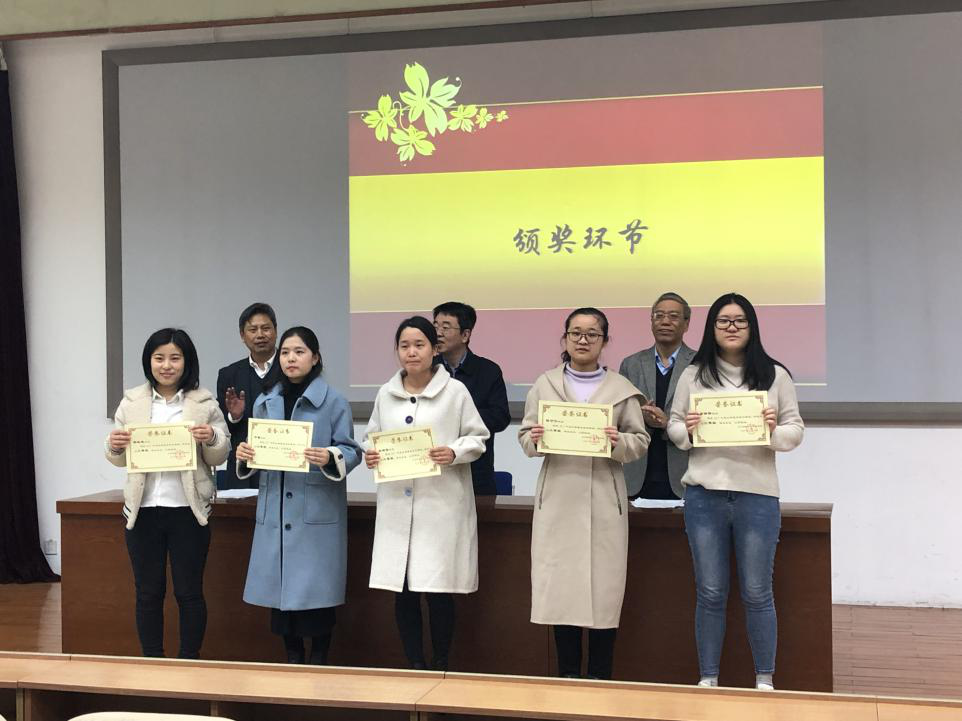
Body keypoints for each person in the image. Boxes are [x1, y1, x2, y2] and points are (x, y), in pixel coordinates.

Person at [666, 293, 804, 690]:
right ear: (711, 328)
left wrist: (772, 431)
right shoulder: (694, 375)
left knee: (758, 591)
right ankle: (708, 677)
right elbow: (674, 427)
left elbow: (795, 430)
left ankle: (764, 679)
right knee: (710, 592)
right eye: (723, 321)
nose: (731, 327)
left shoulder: (775, 375)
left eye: (739, 321)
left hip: (757, 495)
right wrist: (688, 430)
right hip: (704, 495)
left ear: (752, 327)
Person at [518, 308, 650, 679]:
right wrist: (536, 439)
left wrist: (617, 441)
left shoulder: (621, 389)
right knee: (563, 593)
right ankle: (567, 680)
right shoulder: (545, 384)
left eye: (592, 334)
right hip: (559, 499)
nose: (583, 340)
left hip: (604, 499)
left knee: (604, 594)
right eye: (575, 332)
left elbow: (640, 441)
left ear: (605, 341)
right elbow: (526, 436)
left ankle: (600, 681)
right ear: (564, 338)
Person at [363, 316, 489, 670]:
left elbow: (478, 438)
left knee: (437, 590)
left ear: (435, 349)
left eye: (419, 345)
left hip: (440, 507)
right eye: (404, 346)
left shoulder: (455, 392)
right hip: (397, 507)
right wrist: (370, 453)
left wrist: (453, 451)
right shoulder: (386, 394)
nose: (412, 352)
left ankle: (441, 663)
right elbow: (372, 436)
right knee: (403, 591)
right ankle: (414, 664)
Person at [235, 326, 361, 665]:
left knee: (317, 598)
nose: (291, 358)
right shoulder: (265, 401)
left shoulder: (334, 401)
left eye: (300, 351)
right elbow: (257, 450)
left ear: (315, 358)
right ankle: (292, 658)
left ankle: (319, 659)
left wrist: (330, 456)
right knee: (280, 596)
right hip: (276, 508)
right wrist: (245, 454)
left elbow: (351, 451)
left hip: (315, 510)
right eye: (286, 352)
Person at [104, 328, 229, 659]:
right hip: (143, 510)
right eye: (159, 358)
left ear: (187, 362)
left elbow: (220, 454)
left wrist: (211, 437)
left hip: (189, 511)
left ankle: (189, 661)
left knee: (189, 593)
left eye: (175, 358)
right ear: (149, 361)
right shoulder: (132, 402)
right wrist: (114, 445)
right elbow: (118, 457)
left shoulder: (203, 402)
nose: (167, 365)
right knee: (148, 593)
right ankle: (152, 661)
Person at [619, 292, 696, 499]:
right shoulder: (631, 364)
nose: (665, 322)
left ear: (686, 324)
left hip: (685, 474)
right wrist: (640, 416)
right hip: (637, 474)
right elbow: (620, 417)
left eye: (673, 316)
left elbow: (707, 422)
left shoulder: (701, 364)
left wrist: (667, 423)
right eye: (659, 316)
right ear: (651, 322)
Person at [433, 301, 510, 495]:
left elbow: (500, 417)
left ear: (465, 335)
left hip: (476, 471)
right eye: (435, 326)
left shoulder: (488, 371)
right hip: (434, 470)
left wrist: (460, 418)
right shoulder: (426, 370)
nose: (438, 333)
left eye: (446, 327)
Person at [216, 302, 282, 489]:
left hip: (282, 467)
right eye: (253, 330)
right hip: (242, 469)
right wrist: (234, 416)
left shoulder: (290, 370)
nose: (260, 335)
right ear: (242, 336)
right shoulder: (229, 374)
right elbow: (220, 428)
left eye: (266, 328)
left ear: (275, 331)